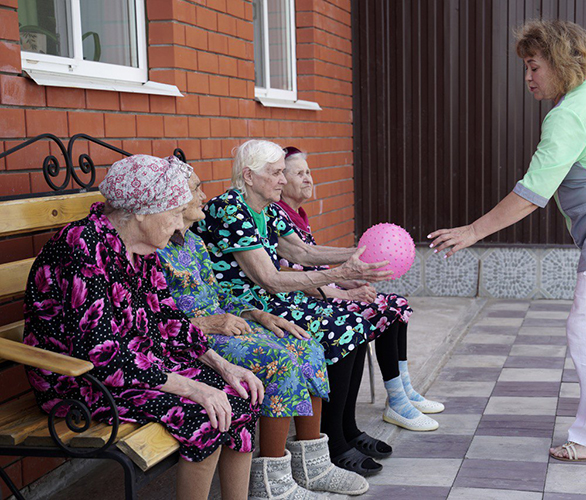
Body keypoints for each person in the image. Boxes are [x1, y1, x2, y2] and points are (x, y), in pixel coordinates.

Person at [429, 19, 586, 462]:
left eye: (533, 67)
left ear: (559, 64)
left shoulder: (568, 116)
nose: (527, 77)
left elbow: (531, 195)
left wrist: (471, 232)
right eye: (525, 67)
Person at [23, 155, 263, 500]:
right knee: (205, 415)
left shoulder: (141, 247)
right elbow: (101, 353)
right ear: (141, 211)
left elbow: (167, 319)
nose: (181, 226)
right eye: (174, 214)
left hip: (133, 364)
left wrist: (223, 366)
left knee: (240, 395)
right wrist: (193, 389)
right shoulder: (82, 246)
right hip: (80, 379)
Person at [157, 172, 370, 498]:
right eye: (196, 189)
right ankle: (272, 482)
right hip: (193, 339)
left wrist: (254, 313)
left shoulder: (193, 241)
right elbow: (156, 316)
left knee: (306, 346)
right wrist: (214, 322)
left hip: (229, 323)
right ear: (172, 200)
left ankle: (313, 465)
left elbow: (221, 295)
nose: (203, 195)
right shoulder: (154, 250)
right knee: (279, 360)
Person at [194, 139, 392, 477]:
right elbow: (268, 279)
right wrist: (341, 274)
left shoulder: (266, 207)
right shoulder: (230, 208)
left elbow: (302, 253)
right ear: (249, 176)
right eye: (275, 173)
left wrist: (358, 254)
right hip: (245, 305)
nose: (283, 180)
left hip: (271, 297)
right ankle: (334, 442)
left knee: (357, 322)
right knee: (340, 329)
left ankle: (347, 428)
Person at [275, 146, 444, 439]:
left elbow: (313, 264)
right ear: (280, 179)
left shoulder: (298, 215)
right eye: (299, 173)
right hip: (303, 300)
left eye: (309, 172)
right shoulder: (277, 217)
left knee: (396, 306)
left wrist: (349, 282)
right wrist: (343, 293)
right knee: (373, 315)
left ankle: (401, 392)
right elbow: (292, 277)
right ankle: (394, 403)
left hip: (321, 290)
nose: (308, 179)